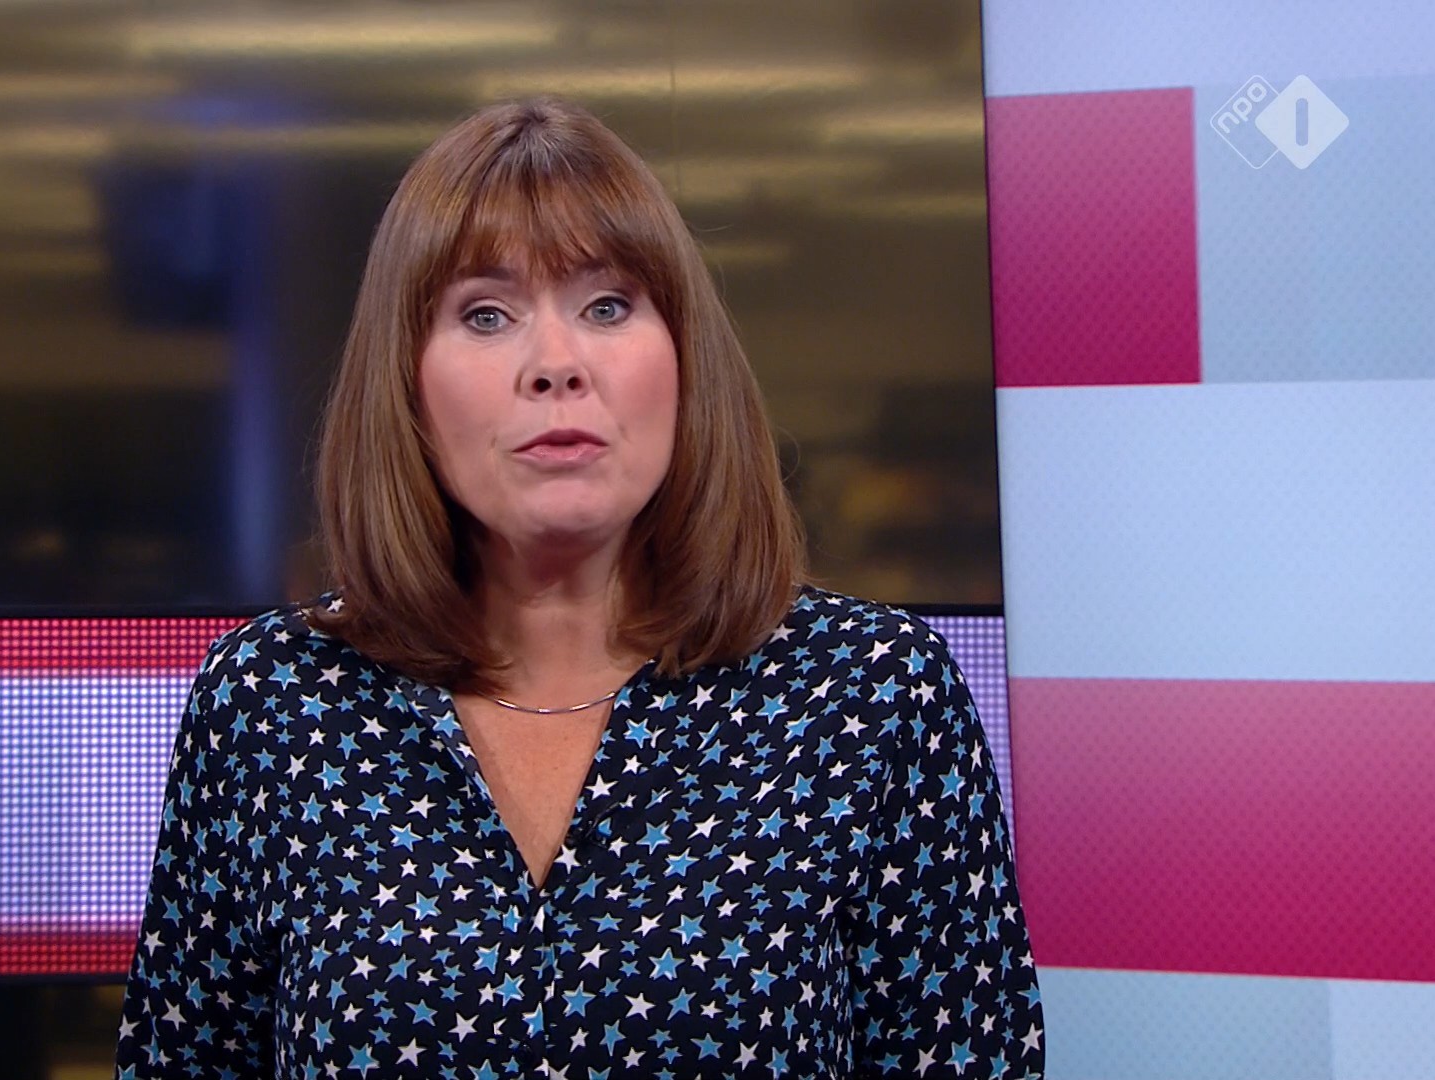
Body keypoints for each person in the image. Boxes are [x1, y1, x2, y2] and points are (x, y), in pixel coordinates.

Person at [113, 96, 1044, 1079]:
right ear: (408, 384)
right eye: (485, 314)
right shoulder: (272, 700)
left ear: (684, 358)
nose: (555, 365)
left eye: (607, 306)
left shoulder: (873, 694)